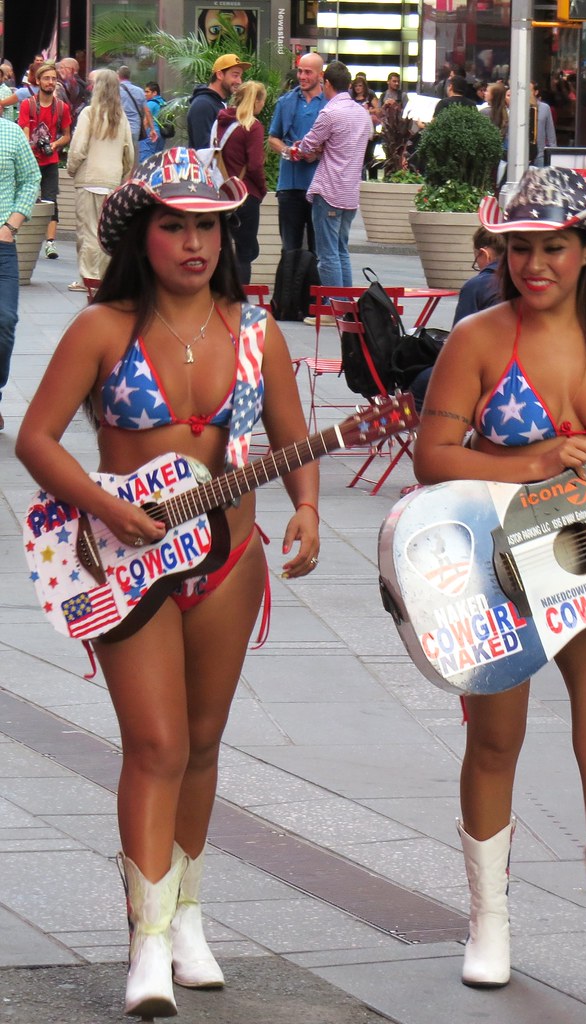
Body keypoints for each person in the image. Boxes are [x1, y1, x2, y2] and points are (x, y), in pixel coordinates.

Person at [15, 147, 320, 1017]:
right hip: (128, 560)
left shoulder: (257, 333)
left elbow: (295, 438)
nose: (193, 242)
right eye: (174, 224)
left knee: (205, 738)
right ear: (140, 234)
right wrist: (103, 509)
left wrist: (305, 506)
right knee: (155, 743)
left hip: (230, 559)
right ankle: (145, 939)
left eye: (208, 225)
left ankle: (187, 913)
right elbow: (35, 440)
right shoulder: (103, 327)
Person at [412, 165, 586, 1009]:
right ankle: (488, 922)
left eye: (552, 248)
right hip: (500, 574)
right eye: (519, 248)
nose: (533, 265)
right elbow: (432, 455)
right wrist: (533, 461)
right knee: (495, 744)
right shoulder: (480, 338)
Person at [294, 60, 373, 325]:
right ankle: (346, 304)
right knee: (341, 250)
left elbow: (308, 146)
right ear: (349, 85)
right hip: (350, 190)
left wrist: (303, 148)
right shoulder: (362, 112)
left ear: (326, 83)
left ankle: (333, 307)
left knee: (327, 253)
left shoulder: (330, 113)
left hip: (329, 188)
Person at [409, 228, 504, 412]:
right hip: (522, 370)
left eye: (477, 259)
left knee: (420, 382)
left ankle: (433, 434)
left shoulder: (477, 285)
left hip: (485, 374)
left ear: (484, 254)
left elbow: (458, 343)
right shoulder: (520, 281)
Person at [65, 68, 134, 292]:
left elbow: (78, 148)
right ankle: (104, 277)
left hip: (89, 179)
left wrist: (71, 168)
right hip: (111, 181)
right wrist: (122, 175)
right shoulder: (121, 117)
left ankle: (88, 278)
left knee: (88, 231)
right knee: (105, 232)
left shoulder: (89, 113)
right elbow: (129, 153)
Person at [0, 118, 41, 430]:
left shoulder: (11, 133)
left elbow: (31, 179)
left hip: (1, 245)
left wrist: (10, 226)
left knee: (5, 320)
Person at [267, 52, 326, 254]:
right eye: (300, 71)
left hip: (320, 188)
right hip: (289, 186)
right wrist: (287, 150)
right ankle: (291, 285)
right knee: (290, 248)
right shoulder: (286, 102)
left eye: (308, 72)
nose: (302, 76)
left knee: (318, 249)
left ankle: (315, 286)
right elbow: (272, 138)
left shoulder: (330, 103)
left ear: (320, 75)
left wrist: (317, 154)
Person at [17, 60, 72, 260]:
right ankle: (18, 234)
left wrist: (55, 145)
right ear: (38, 80)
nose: (50, 82)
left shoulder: (62, 107)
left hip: (50, 160)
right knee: (25, 197)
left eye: (53, 79)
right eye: (46, 78)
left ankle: (50, 242)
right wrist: (28, 150)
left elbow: (67, 135)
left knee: (50, 199)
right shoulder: (28, 104)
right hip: (31, 160)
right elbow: (24, 131)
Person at [216, 80, 267, 284]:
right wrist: (262, 189)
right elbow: (255, 165)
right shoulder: (252, 127)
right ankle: (240, 302)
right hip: (245, 193)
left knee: (224, 247)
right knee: (245, 252)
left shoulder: (221, 122)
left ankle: (221, 298)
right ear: (256, 101)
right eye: (262, 101)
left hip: (222, 192)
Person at [187, 53, 251, 151]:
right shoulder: (203, 105)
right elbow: (204, 150)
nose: (239, 81)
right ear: (220, 75)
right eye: (235, 75)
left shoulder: (219, 103)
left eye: (240, 76)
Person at [118, 66, 156, 165]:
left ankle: (119, 177)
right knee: (132, 155)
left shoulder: (115, 90)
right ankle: (129, 178)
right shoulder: (139, 91)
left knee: (118, 154)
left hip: (119, 126)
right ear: (129, 76)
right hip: (134, 128)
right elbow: (147, 111)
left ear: (118, 76)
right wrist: (152, 129)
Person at [139, 80, 167, 162]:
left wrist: (140, 135)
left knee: (145, 161)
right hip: (161, 135)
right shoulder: (163, 103)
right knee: (157, 161)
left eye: (147, 92)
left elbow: (146, 121)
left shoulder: (150, 104)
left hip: (150, 135)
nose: (145, 94)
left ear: (154, 93)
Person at [530, 80, 557, 165]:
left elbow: (550, 132)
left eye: (529, 90)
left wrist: (554, 152)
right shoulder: (517, 108)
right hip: (521, 155)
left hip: (540, 155)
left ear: (536, 92)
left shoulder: (545, 108)